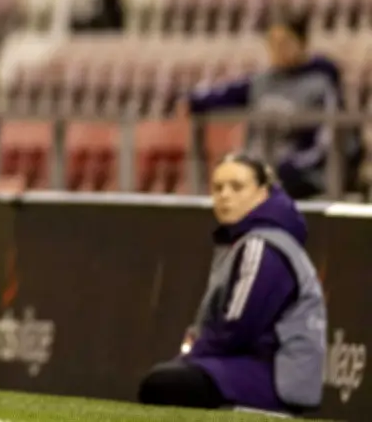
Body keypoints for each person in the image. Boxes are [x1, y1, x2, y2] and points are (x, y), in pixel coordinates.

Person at [137, 153, 327, 415]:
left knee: (164, 383)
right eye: (218, 188)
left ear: (262, 193)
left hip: (276, 377)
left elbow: (239, 326)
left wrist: (194, 356)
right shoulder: (247, 240)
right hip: (258, 367)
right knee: (170, 379)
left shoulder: (263, 245)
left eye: (237, 187)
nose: (225, 195)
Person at [183, 13, 362, 199]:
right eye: (272, 43)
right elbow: (221, 96)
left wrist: (292, 166)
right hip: (261, 169)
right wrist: (194, 101)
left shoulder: (321, 84)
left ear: (302, 43)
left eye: (285, 42)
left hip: (302, 175)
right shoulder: (262, 82)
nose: (278, 49)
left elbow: (327, 140)